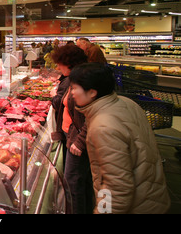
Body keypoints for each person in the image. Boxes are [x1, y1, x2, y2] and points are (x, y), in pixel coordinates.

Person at [69, 63, 171, 214]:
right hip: (152, 196)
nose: (71, 93)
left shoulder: (103, 127)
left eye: (74, 88)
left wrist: (103, 212)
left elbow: (115, 186)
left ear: (92, 92)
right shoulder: (126, 103)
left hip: (135, 207)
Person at [50, 45, 92, 214]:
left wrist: (80, 141)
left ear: (69, 63)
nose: (58, 68)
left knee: (73, 182)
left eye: (60, 64)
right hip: (71, 136)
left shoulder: (83, 82)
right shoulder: (75, 79)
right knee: (77, 180)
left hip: (77, 140)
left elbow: (92, 115)